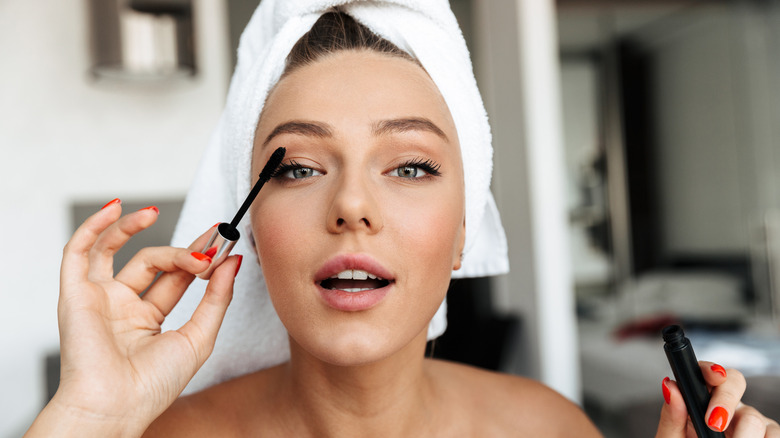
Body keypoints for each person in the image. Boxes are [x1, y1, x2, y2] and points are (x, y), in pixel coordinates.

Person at [25, 2, 780, 437]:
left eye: (410, 165)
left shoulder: (548, 431)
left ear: (462, 233)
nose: (351, 206)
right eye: (296, 168)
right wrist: (87, 416)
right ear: (248, 229)